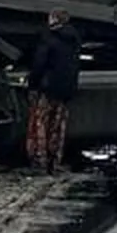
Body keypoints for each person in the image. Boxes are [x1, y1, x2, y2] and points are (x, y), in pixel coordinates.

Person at [25, 9, 82, 173]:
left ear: (54, 19)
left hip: (47, 88)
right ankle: (54, 160)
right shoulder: (74, 39)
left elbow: (39, 65)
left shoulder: (49, 39)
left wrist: (32, 86)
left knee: (40, 123)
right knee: (58, 126)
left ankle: (39, 161)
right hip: (65, 90)